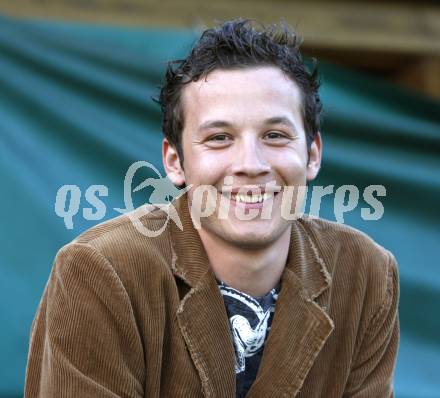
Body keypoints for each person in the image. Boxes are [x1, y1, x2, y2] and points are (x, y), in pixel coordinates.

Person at [24, 19, 399, 397]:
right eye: (219, 138)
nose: (250, 164)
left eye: (275, 135)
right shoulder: (102, 273)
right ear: (175, 161)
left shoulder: (365, 275)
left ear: (313, 154)